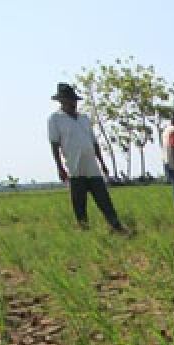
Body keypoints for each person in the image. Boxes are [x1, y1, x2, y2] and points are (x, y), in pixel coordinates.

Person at [47, 83, 128, 233]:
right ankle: (84, 229)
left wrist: (102, 162)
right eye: (70, 100)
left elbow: (94, 142)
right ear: (62, 101)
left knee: (103, 198)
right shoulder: (55, 119)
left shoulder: (83, 118)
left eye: (75, 100)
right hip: (74, 167)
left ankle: (116, 225)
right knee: (79, 202)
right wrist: (60, 167)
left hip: (92, 166)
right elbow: (54, 144)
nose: (74, 103)